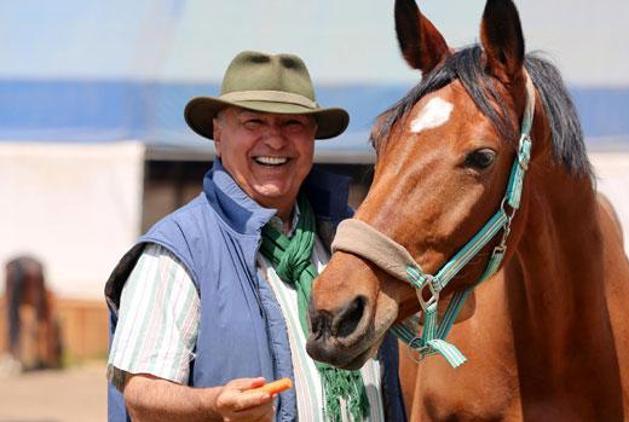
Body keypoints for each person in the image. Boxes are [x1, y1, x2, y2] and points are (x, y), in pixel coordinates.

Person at [104, 51, 405, 422]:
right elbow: (141, 393)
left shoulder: (351, 239)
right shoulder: (178, 248)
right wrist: (214, 404)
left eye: (292, 124)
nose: (275, 141)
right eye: (254, 122)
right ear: (218, 135)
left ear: (313, 137)